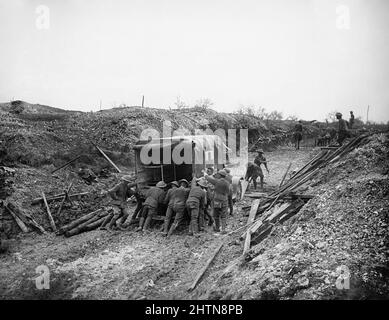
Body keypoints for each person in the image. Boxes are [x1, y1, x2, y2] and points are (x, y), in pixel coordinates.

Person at [204, 170, 233, 234]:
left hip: (216, 200)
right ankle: (223, 229)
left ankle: (217, 228)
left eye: (218, 174)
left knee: (216, 215)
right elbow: (228, 192)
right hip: (224, 200)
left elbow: (208, 178)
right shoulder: (227, 183)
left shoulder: (216, 181)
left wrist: (205, 173)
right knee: (224, 215)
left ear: (220, 175)